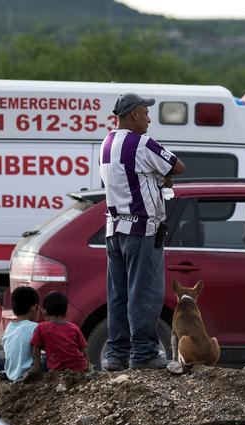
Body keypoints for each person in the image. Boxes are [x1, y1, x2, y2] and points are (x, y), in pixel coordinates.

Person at [99, 93, 185, 371]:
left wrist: (152, 175)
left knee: (119, 293)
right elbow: (178, 166)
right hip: (141, 228)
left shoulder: (106, 143)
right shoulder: (142, 143)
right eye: (146, 113)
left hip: (113, 228)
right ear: (134, 114)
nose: (149, 118)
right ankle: (144, 351)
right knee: (144, 292)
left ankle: (116, 354)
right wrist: (160, 176)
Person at [29, 292, 89, 374]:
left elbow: (36, 350)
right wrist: (87, 367)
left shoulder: (41, 328)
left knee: (45, 360)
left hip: (57, 370)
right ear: (66, 311)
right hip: (79, 368)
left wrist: (36, 369)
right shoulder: (74, 328)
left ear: (44, 311)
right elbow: (84, 349)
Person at [1, 286, 40, 382]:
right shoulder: (35, 327)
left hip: (11, 375)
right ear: (35, 307)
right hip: (26, 376)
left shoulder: (9, 326)